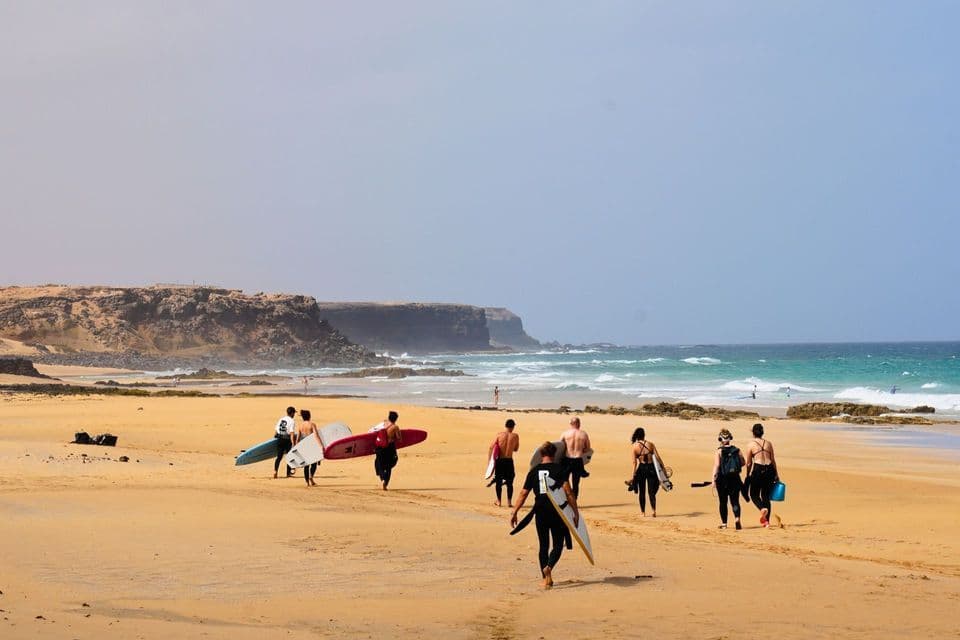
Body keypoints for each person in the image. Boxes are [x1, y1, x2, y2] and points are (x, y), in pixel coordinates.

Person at [510, 441, 579, 589]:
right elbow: (568, 492)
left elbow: (523, 494)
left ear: (541, 455)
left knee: (543, 545)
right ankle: (549, 567)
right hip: (556, 511)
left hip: (540, 511)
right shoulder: (559, 469)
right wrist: (575, 512)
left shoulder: (534, 471)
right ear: (554, 454)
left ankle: (545, 578)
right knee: (558, 544)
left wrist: (514, 511)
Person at [744, 423, 779, 527]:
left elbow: (749, 462)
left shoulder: (750, 444)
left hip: (758, 469)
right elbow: (772, 460)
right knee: (766, 496)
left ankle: (762, 509)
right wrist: (776, 474)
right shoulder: (768, 443)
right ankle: (767, 522)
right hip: (769, 470)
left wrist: (748, 474)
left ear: (753, 432)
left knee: (754, 495)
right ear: (762, 432)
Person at [712, 428, 745, 529]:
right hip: (735, 478)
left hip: (722, 479)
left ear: (720, 439)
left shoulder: (719, 451)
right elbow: (743, 462)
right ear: (730, 438)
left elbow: (716, 465)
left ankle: (724, 524)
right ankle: (737, 519)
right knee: (735, 501)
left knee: (723, 501)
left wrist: (713, 479)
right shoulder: (737, 450)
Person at [625, 427, 662, 517]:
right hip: (651, 468)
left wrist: (633, 476)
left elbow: (634, 463)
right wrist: (663, 469)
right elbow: (658, 458)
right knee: (651, 491)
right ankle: (653, 511)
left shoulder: (635, 447)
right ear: (644, 435)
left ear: (636, 436)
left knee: (642, 491)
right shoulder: (651, 444)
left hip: (641, 469)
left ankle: (643, 512)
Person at [489, 419, 520, 507]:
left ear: (505, 426)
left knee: (498, 482)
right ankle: (509, 502)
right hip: (509, 461)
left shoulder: (499, 435)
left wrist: (490, 463)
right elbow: (516, 449)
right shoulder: (515, 436)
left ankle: (499, 501)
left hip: (500, 461)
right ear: (513, 427)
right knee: (510, 482)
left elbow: (491, 447)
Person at [560, 417, 591, 498]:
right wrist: (581, 451)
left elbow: (560, 447)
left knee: (564, 480)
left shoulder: (565, 433)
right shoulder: (583, 434)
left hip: (567, 459)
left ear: (571, 424)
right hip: (577, 460)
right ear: (579, 424)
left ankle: (564, 497)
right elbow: (588, 448)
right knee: (575, 482)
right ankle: (574, 499)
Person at [374, 411, 402, 490]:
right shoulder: (395, 427)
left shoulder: (384, 423)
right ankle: (385, 483)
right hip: (389, 448)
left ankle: (382, 478)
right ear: (396, 419)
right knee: (389, 466)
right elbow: (399, 439)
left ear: (389, 417)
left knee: (379, 463)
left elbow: (374, 431)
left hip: (379, 447)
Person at [296, 409, 320, 487]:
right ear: (309, 416)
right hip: (312, 445)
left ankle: (307, 482)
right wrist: (320, 445)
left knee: (306, 465)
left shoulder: (300, 426)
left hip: (304, 446)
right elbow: (316, 436)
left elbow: (298, 439)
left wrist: (296, 448)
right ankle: (311, 477)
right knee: (314, 464)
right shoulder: (312, 425)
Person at [273, 406, 297, 479]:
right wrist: (293, 443)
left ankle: (275, 471)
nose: (294, 415)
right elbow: (292, 433)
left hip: (279, 439)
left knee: (279, 457)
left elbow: (276, 430)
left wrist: (274, 438)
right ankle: (288, 473)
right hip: (287, 440)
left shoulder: (281, 419)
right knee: (289, 456)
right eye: (294, 413)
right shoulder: (292, 421)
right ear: (292, 413)